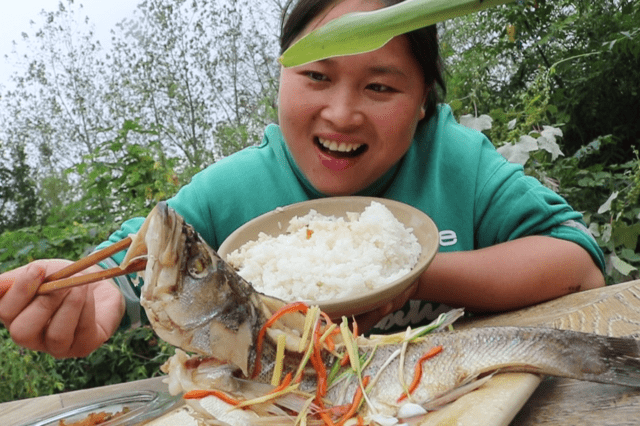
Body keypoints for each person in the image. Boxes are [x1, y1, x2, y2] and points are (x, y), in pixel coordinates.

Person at [0, 0, 605, 359]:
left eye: (381, 86)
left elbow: (577, 262)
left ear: (424, 101)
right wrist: (95, 298)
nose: (341, 113)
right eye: (316, 75)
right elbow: (142, 260)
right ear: (282, 78)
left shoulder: (455, 161)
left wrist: (413, 275)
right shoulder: (233, 188)